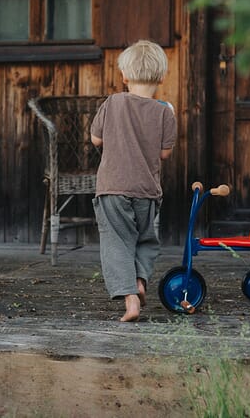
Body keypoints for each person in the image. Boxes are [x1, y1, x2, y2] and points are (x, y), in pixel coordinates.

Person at [90, 40, 177, 322]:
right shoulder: (165, 111)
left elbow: (96, 139)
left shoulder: (112, 102)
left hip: (113, 188)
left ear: (124, 76)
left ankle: (130, 299)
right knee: (145, 240)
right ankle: (140, 280)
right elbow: (165, 153)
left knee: (117, 241)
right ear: (162, 78)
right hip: (147, 191)